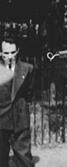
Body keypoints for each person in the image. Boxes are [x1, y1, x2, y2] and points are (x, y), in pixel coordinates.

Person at [0, 34, 34, 167]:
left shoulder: (28, 69)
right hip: (1, 123)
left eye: (13, 52)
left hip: (20, 121)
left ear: (17, 51)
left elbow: (30, 93)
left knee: (24, 160)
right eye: (6, 53)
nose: (10, 56)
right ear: (1, 53)